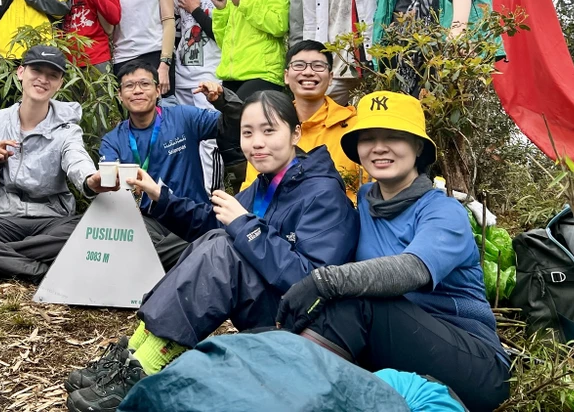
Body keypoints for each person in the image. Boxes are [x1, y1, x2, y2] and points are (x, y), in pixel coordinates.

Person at [66, 91, 359, 411]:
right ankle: (134, 354)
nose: (257, 142)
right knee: (213, 242)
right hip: (272, 307)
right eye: (248, 133)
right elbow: (212, 223)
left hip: (307, 325)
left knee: (221, 248)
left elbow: (309, 280)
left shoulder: (323, 193)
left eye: (269, 130)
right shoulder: (267, 183)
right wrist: (159, 195)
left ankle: (146, 368)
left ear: (296, 133)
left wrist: (245, 227)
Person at [276, 91, 510, 412]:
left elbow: (411, 270)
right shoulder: (365, 202)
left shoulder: (442, 212)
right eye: (368, 138)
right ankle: (278, 379)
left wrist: (323, 281)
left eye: (394, 137)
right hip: (394, 346)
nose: (379, 147)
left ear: (418, 148)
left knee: (357, 296)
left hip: (475, 365)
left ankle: (288, 397)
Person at [0, 46, 107, 282]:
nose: (43, 79)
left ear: (59, 83)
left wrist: (91, 180)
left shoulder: (67, 129)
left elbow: (76, 158)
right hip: (1, 219)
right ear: (20, 72)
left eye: (52, 75)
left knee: (89, 227)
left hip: (51, 221)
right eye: (36, 70)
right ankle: (39, 271)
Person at [99, 59, 241, 269]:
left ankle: (153, 263)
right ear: (120, 95)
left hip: (192, 217)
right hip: (148, 222)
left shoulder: (184, 118)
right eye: (129, 86)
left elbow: (236, 126)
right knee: (123, 236)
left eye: (145, 84)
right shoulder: (113, 140)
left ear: (158, 90)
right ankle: (190, 259)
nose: (137, 91)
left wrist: (222, 100)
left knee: (211, 239)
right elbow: (110, 187)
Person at [239, 40, 363, 201]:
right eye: (299, 65)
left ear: (331, 77)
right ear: (286, 76)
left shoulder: (352, 126)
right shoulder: (267, 127)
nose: (308, 72)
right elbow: (253, 188)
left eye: (318, 66)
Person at [174, 0, 226, 192]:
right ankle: (188, 198)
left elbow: (226, 36)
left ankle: (211, 200)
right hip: (183, 76)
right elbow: (175, 34)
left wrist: (196, 9)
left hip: (211, 75)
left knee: (208, 143)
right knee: (184, 142)